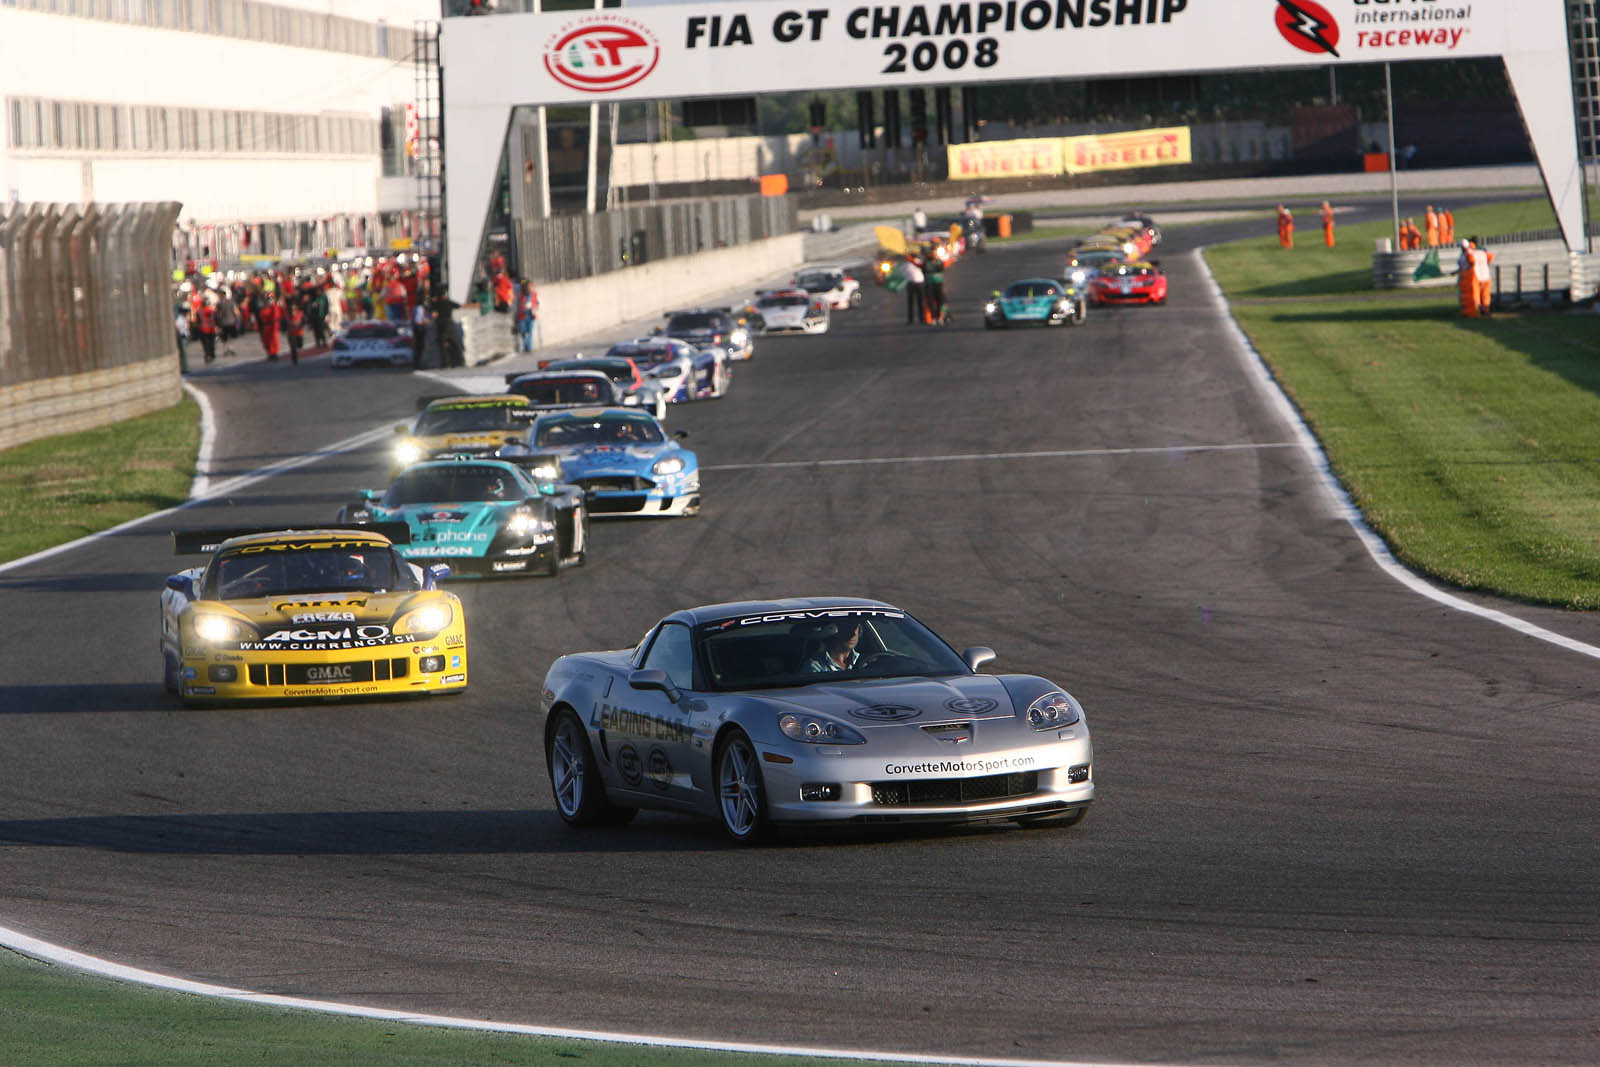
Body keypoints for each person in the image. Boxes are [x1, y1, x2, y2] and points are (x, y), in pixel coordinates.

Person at [1470, 237, 1495, 318]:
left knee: (1476, 295)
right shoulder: (1484, 250)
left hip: (1476, 275)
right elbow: (1491, 257)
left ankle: (1478, 311)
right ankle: (1486, 311)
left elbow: (1470, 261)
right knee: (1486, 295)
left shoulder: (1470, 250)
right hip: (1486, 275)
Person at [513, 278, 538, 352]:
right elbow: (517, 305)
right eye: (527, 287)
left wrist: (533, 307)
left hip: (531, 316)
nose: (529, 288)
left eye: (530, 287)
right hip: (522, 316)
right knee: (523, 331)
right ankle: (526, 345)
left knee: (530, 332)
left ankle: (528, 347)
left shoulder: (533, 295)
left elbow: (537, 304)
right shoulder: (520, 296)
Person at [902, 254, 925, 325]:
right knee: (910, 303)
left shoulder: (919, 262)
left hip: (920, 283)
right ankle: (910, 320)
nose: (907, 258)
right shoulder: (905, 265)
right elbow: (899, 274)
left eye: (908, 257)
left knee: (920, 302)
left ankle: (922, 319)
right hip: (910, 284)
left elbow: (924, 268)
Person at [923, 254, 946, 324]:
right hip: (929, 284)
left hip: (938, 284)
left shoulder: (939, 262)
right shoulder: (925, 263)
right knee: (930, 302)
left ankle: (939, 317)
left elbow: (941, 268)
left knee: (940, 301)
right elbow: (924, 270)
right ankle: (933, 318)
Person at [410, 298, 430, 366]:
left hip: (418, 329)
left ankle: (418, 363)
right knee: (420, 347)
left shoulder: (416, 308)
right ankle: (419, 363)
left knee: (419, 347)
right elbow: (418, 321)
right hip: (419, 329)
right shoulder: (419, 308)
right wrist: (425, 321)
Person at [285, 299, 306, 365]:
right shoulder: (287, 315)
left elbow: (304, 321)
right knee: (293, 347)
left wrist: (301, 324)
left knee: (300, 345)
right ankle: (294, 359)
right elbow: (284, 323)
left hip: (299, 333)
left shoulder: (300, 313)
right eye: (291, 308)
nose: (292, 310)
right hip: (291, 333)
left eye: (294, 308)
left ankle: (297, 350)